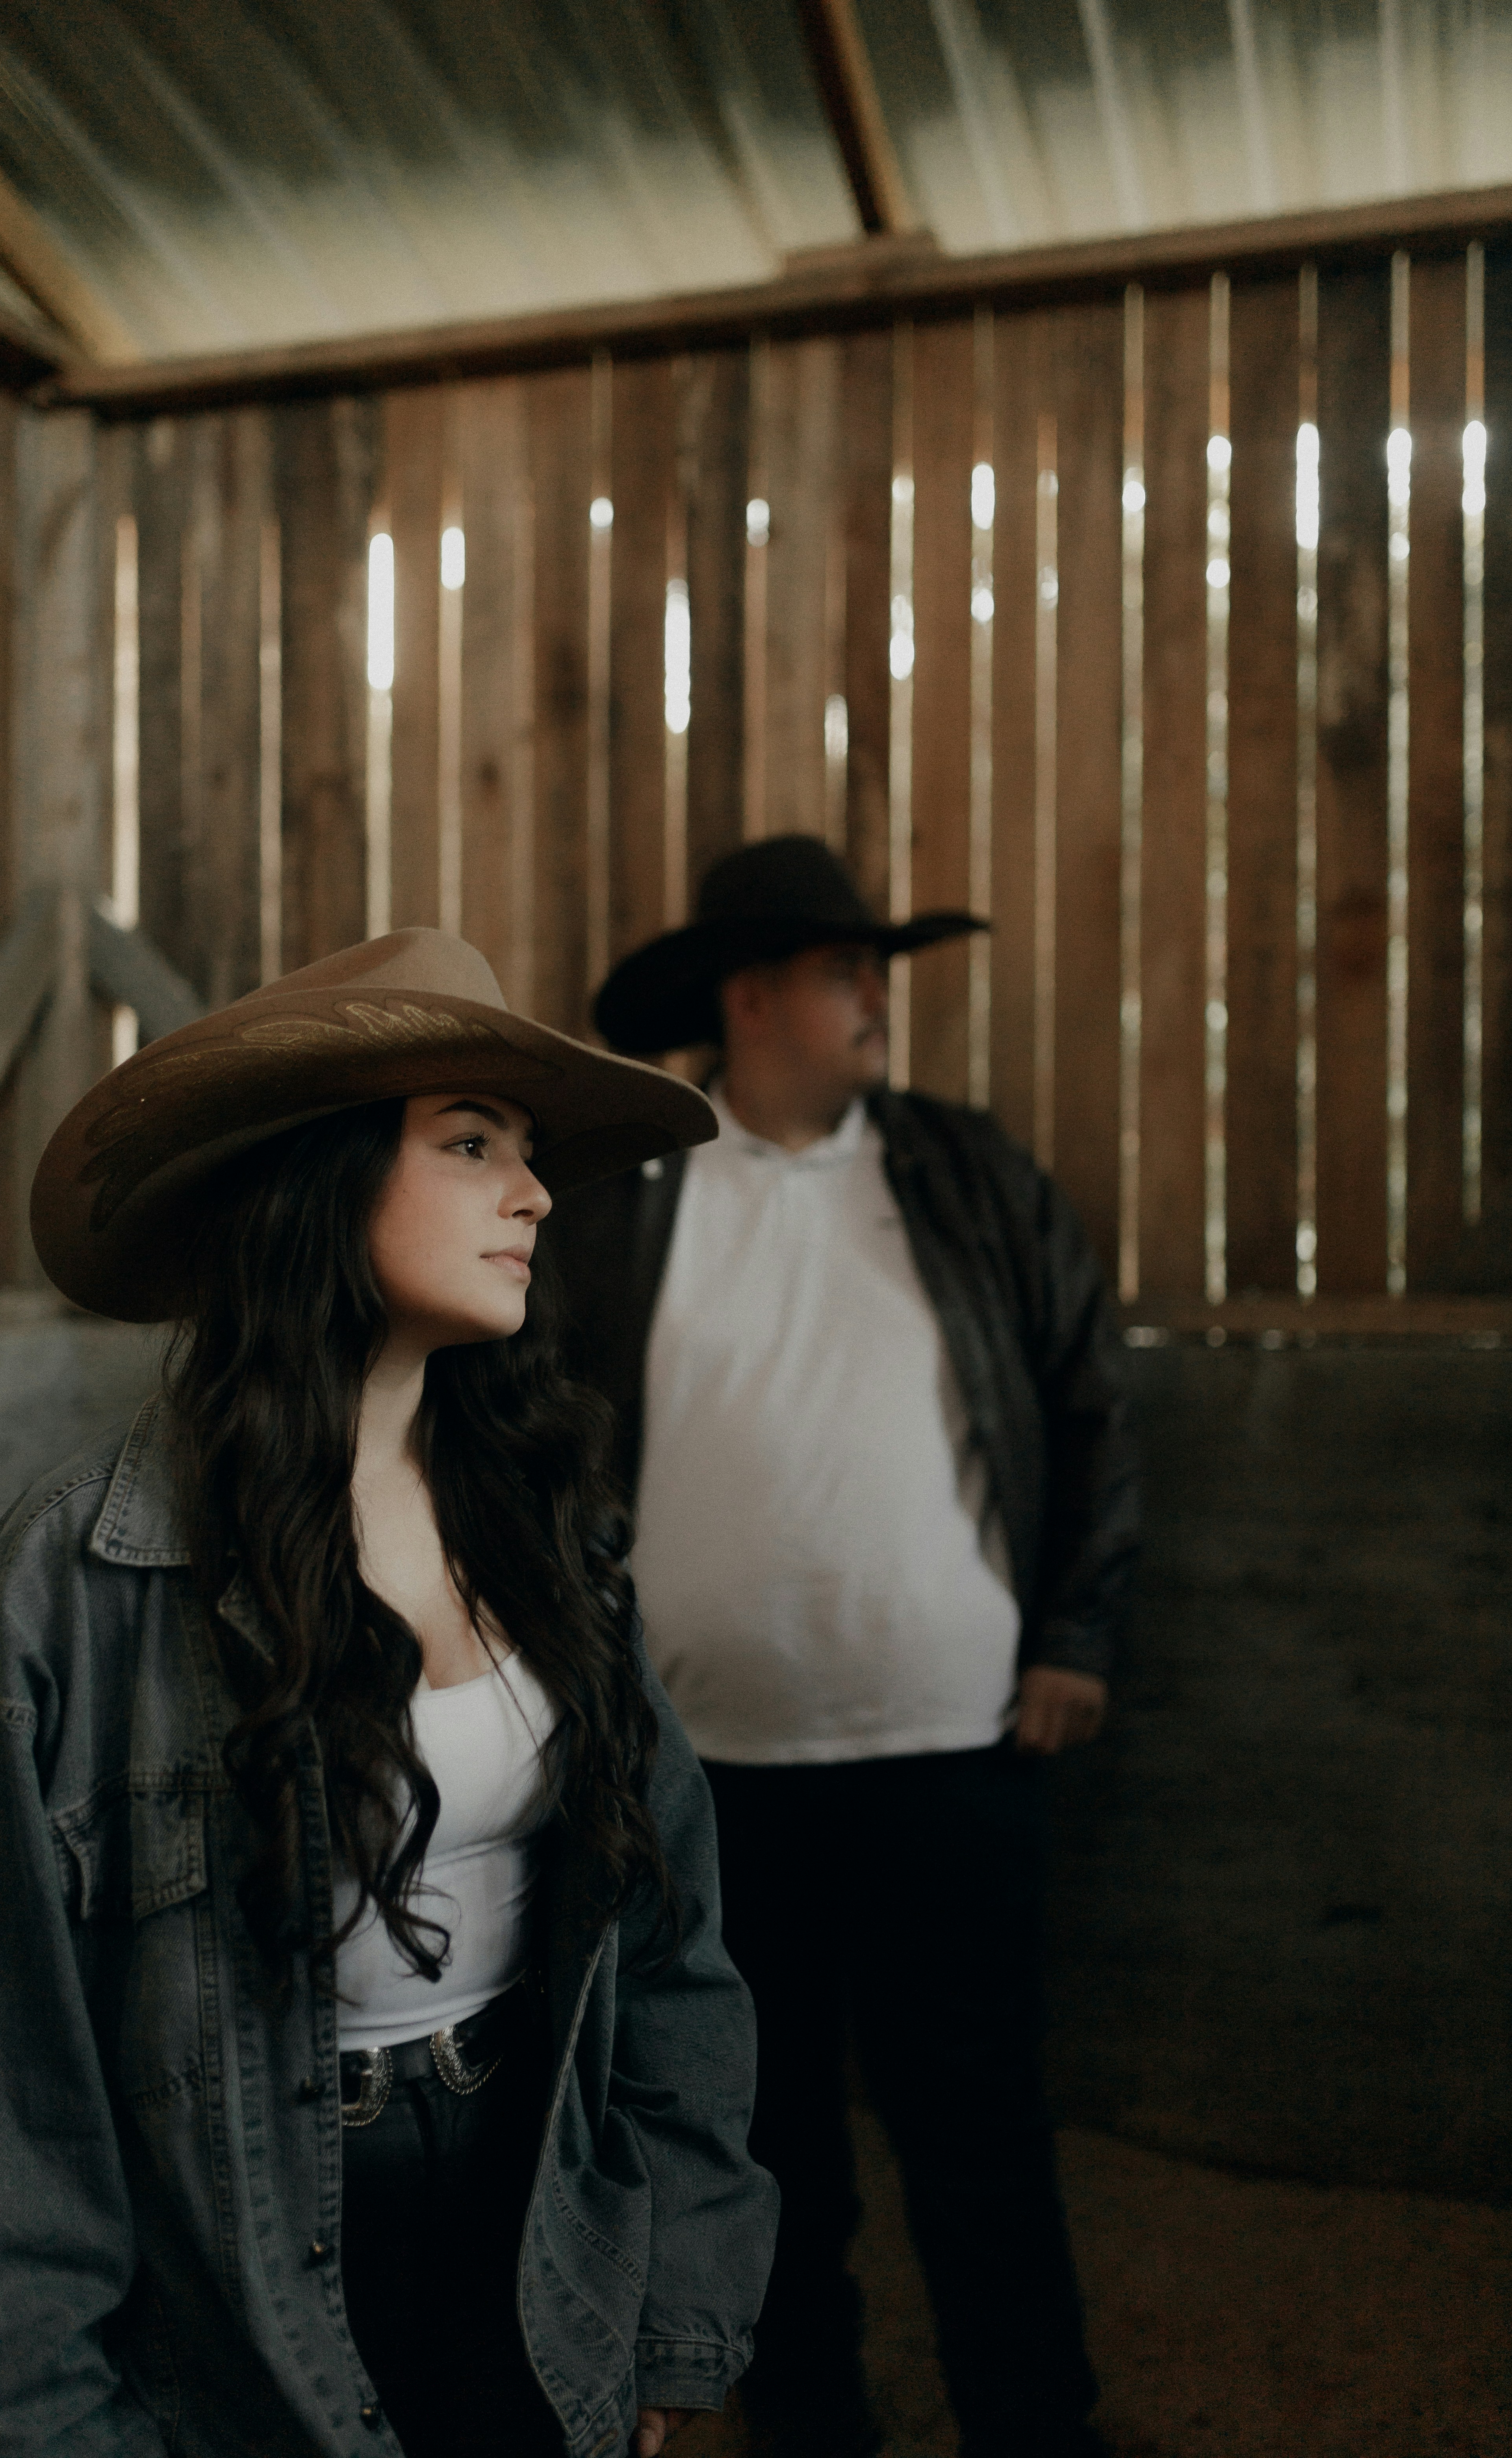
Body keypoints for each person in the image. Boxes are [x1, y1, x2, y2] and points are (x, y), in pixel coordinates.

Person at [0, 927, 778, 2458]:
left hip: (532, 2211)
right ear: (321, 1172)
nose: (535, 1194)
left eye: (531, 1152)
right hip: (243, 2264)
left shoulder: (553, 1532)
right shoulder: (78, 1586)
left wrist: (669, 2301)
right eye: (471, 1143)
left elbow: (669, 1940)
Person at [542, 837, 1141, 2458]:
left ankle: (1034, 2431)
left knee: (979, 2136)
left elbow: (1086, 1396)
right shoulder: (621, 1196)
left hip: (958, 1749)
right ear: (751, 997)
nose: (876, 998)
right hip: (705, 1781)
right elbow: (529, 1445)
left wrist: (1070, 1630)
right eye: (844, 970)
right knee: (759, 2139)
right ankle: (811, 2431)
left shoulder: (962, 1172)